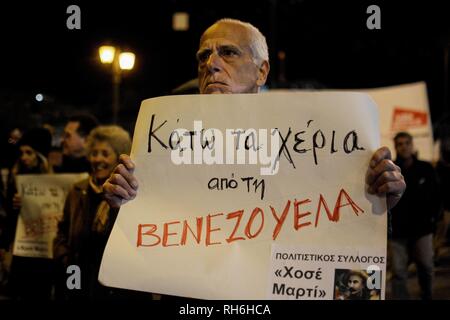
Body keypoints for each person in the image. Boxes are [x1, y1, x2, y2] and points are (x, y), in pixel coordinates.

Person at [103, 18, 405, 219]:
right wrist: (122, 204)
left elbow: (332, 223)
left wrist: (378, 201)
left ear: (262, 71)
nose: (212, 64)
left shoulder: (306, 141)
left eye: (229, 53)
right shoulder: (162, 143)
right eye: (203, 56)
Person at [53, 125, 150, 300]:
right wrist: (64, 258)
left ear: (118, 158)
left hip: (116, 286)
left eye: (105, 154)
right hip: (79, 277)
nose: (98, 159)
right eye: (94, 153)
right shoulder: (77, 190)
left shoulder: (130, 194)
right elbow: (62, 229)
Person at [3, 127, 54, 300]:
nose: (24, 157)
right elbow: (10, 217)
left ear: (39, 155)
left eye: (29, 152)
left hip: (43, 251)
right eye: (22, 152)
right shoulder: (16, 176)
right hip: (21, 247)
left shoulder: (54, 177)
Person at [389, 132, 440, 300]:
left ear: (412, 145)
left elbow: (436, 195)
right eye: (400, 144)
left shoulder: (425, 168)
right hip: (398, 231)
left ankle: (427, 295)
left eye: (407, 143)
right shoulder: (391, 170)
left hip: (422, 229)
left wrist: (433, 221)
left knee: (426, 266)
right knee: (398, 272)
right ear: (396, 147)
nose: (404, 146)